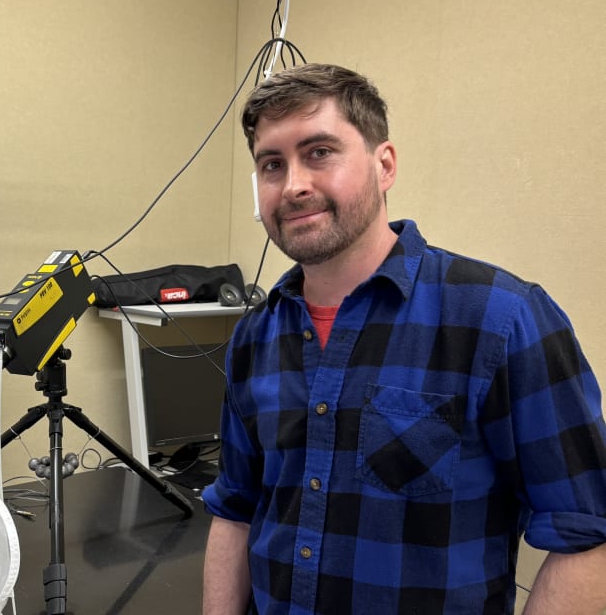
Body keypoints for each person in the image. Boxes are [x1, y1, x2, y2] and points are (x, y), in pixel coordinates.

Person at [200, 63, 606, 614]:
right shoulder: (254, 335)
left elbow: (586, 535)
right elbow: (237, 509)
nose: (293, 184)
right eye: (272, 164)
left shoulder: (501, 320)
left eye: (319, 152)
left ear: (384, 164)